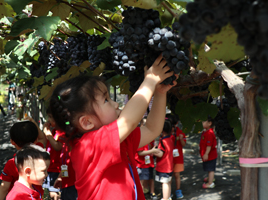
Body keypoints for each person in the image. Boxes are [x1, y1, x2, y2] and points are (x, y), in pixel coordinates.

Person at [49, 55, 176, 200]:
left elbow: (151, 129)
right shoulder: (88, 146)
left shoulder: (117, 141)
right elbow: (129, 121)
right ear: (87, 122)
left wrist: (159, 93)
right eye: (106, 100)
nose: (115, 104)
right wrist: (150, 81)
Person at [0, 117, 47, 200]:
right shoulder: (38, 152)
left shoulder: (12, 163)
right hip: (36, 196)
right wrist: (33, 122)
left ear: (12, 142)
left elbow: (4, 188)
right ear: (36, 140)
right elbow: (42, 138)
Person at [42, 108, 67, 200]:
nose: (48, 120)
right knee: (52, 193)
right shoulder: (54, 132)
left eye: (51, 117)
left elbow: (58, 146)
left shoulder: (62, 133)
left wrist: (48, 134)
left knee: (57, 193)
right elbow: (46, 143)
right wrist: (46, 134)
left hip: (58, 168)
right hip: (52, 167)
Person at [135, 117, 159, 200]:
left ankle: (152, 192)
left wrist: (153, 146)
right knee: (141, 180)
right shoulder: (139, 138)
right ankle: (141, 195)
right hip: (141, 164)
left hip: (149, 163)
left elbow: (152, 146)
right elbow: (140, 152)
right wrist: (151, 151)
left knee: (150, 178)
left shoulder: (149, 137)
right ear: (141, 125)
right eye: (144, 124)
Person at [167, 114, 186, 199]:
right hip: (169, 159)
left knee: (177, 175)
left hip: (178, 159)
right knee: (169, 176)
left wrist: (181, 139)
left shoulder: (180, 132)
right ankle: (168, 191)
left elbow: (183, 144)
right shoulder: (166, 132)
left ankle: (178, 190)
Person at [154, 120, 174, 200]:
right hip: (170, 166)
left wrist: (153, 151)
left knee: (164, 183)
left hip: (164, 167)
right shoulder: (170, 138)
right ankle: (168, 197)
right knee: (168, 182)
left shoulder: (162, 141)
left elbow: (160, 154)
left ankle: (165, 198)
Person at [200, 116, 217, 189]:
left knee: (210, 169)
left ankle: (210, 183)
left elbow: (209, 145)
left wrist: (206, 153)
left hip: (210, 155)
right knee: (208, 168)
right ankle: (210, 178)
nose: (202, 123)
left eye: (204, 121)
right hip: (208, 155)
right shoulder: (206, 132)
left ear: (209, 123)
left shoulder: (210, 133)